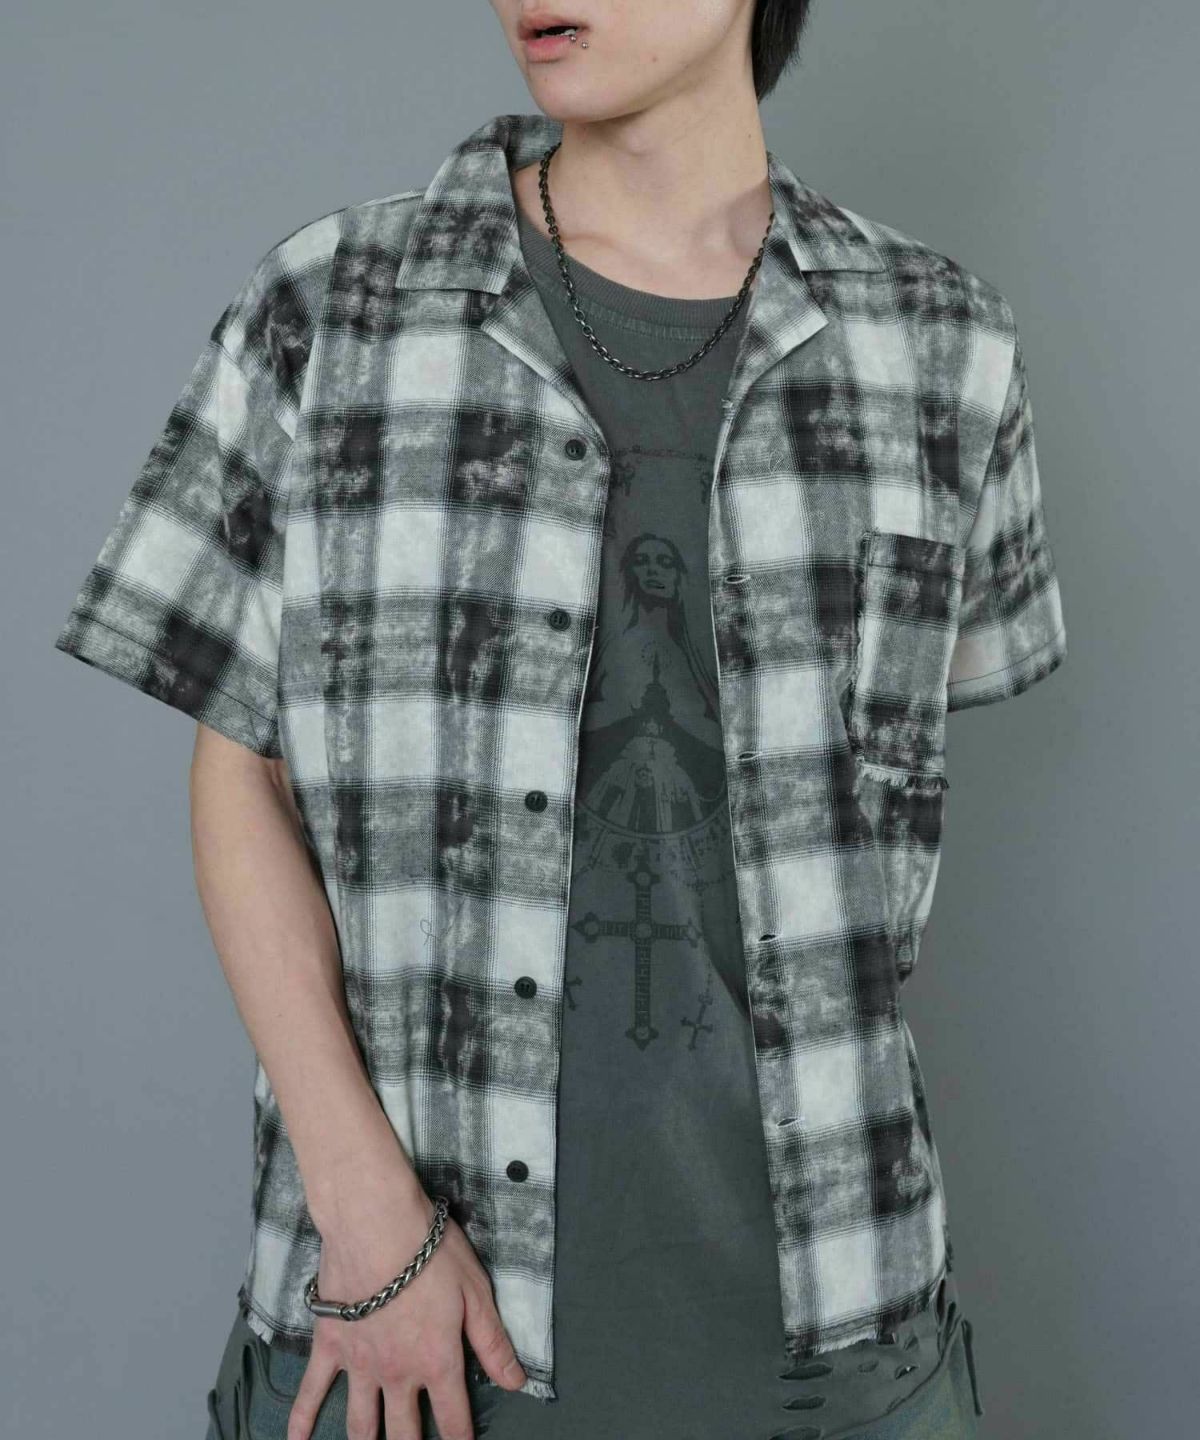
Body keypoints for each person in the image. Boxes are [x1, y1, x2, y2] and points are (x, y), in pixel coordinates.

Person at [53, 2, 1068, 1437]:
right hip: (417, 1346)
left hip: (846, 1341)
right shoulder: (331, 307)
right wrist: (367, 1214)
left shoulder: (944, 348)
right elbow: (242, 779)